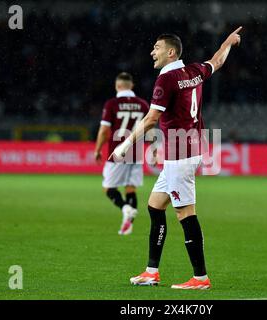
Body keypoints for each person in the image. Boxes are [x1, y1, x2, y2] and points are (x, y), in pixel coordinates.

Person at [110, 27, 243, 289]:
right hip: (186, 151)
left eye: (157, 48)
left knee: (186, 213)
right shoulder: (193, 71)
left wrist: (125, 146)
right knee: (155, 206)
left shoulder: (166, 80)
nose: (152, 52)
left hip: (180, 155)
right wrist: (227, 41)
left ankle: (201, 278)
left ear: (171, 53)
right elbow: (216, 60)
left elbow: (150, 120)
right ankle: (151, 272)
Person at [94, 72, 149, 235]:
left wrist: (97, 149)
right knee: (130, 188)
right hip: (136, 152)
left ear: (117, 86)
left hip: (118, 151)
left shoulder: (112, 104)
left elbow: (104, 131)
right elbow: (150, 127)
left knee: (108, 188)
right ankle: (128, 225)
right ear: (132, 86)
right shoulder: (143, 104)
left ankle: (125, 208)